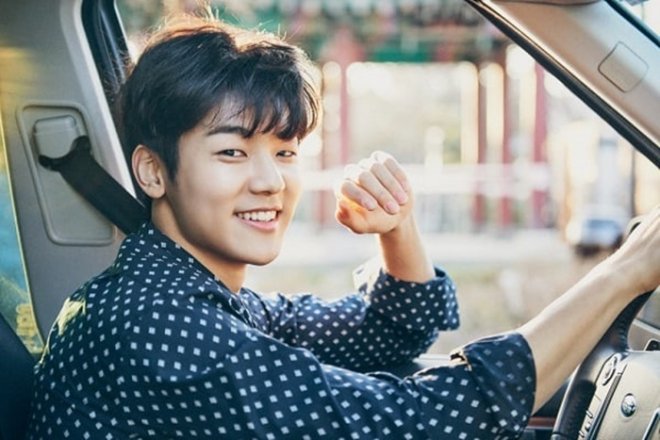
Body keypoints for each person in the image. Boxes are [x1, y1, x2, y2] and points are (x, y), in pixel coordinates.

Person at [25, 15, 660, 440]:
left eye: (285, 151)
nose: (270, 182)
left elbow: (388, 333)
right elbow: (422, 423)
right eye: (232, 152)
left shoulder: (203, 300)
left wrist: (397, 228)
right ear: (153, 171)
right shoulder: (155, 327)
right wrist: (624, 273)